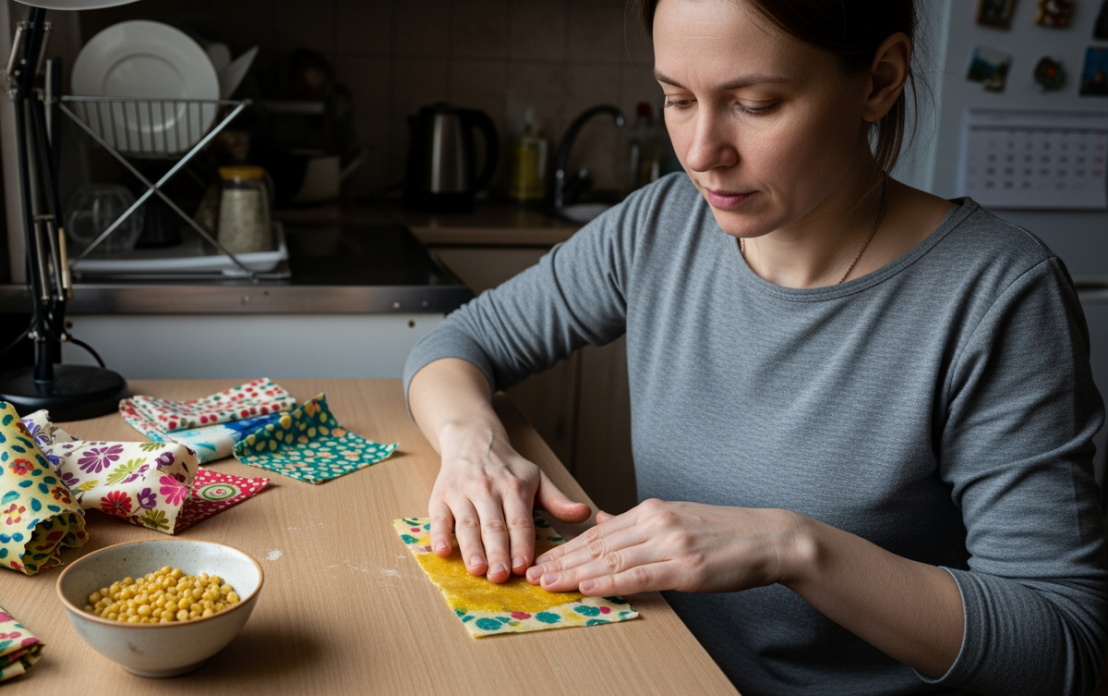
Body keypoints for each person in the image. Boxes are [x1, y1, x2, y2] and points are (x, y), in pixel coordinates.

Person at [402, 1, 1108, 694]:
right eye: (678, 99)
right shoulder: (661, 224)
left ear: (880, 81)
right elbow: (457, 342)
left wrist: (796, 549)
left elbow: (1061, 647)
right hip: (666, 668)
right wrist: (473, 445)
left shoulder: (999, 295)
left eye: (756, 104)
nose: (702, 153)